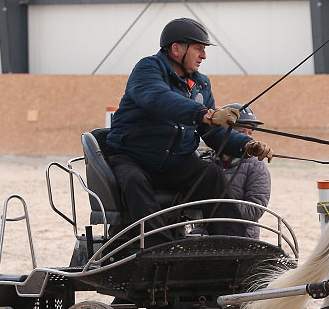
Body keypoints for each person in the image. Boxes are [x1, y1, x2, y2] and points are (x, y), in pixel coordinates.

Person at [105, 17, 273, 246]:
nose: (203, 55)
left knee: (211, 173)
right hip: (134, 158)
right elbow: (159, 99)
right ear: (176, 49)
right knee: (134, 180)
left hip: (174, 162)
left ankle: (234, 243)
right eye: (198, 49)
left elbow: (211, 133)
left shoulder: (201, 84)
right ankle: (160, 248)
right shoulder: (147, 69)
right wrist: (206, 114)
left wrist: (245, 144)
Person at [200, 103, 272, 238]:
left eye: (250, 133)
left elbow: (255, 209)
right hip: (203, 234)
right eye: (241, 133)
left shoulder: (256, 166)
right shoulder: (204, 162)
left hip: (243, 237)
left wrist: (217, 208)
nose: (248, 138)